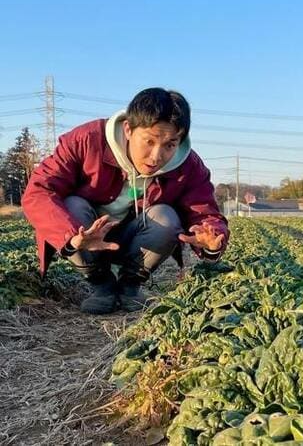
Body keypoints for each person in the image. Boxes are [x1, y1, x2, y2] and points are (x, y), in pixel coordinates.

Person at [22, 88, 229, 314]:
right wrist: (71, 236)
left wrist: (212, 238)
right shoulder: (86, 140)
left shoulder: (188, 166)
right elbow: (39, 191)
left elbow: (206, 212)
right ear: (128, 129)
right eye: (149, 141)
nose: (156, 156)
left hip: (136, 239)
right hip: (89, 236)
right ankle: (101, 285)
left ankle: (130, 285)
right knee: (73, 206)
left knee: (166, 218)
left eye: (170, 145)